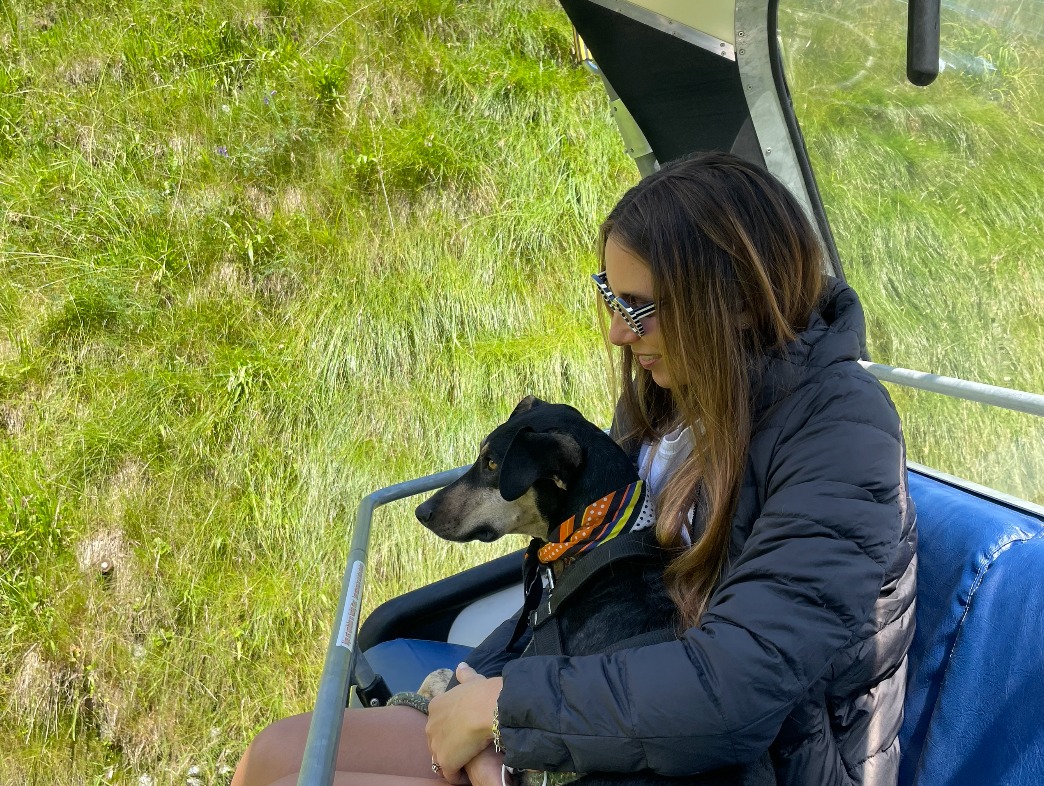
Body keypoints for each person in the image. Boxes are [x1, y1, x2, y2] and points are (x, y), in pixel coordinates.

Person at [232, 152, 917, 786]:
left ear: (735, 301)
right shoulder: (669, 402)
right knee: (277, 756)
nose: (619, 332)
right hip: (606, 712)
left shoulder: (841, 435)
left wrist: (504, 710)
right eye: (612, 298)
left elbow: (736, 691)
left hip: (743, 760)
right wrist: (481, 686)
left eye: (640, 308)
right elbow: (590, 586)